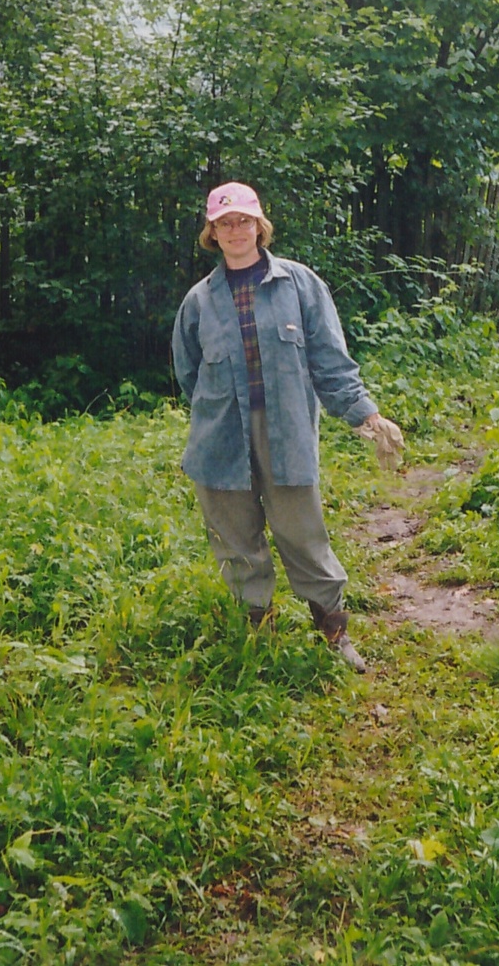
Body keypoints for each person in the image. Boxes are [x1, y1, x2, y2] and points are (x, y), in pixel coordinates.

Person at [172, 180, 393, 673]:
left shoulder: (299, 285)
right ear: (213, 232)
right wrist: (218, 415)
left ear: (259, 225)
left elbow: (329, 360)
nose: (236, 230)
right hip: (220, 435)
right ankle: (260, 632)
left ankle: (334, 633)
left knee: (303, 532)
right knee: (235, 536)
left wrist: (363, 412)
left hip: (286, 431)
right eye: (224, 223)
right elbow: (187, 374)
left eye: (244, 221)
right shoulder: (199, 301)